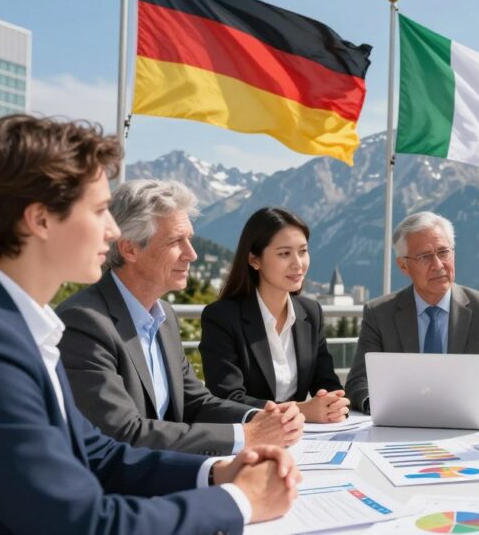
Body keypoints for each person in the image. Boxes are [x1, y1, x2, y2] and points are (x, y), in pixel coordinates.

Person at [0, 115, 298, 533]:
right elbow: (81, 523)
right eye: (101, 210)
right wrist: (239, 500)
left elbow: (96, 453)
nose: (112, 230)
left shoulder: (19, 325)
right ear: (41, 219)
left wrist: (215, 473)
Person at [58, 180, 303, 456]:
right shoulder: (84, 322)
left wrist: (260, 417)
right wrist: (246, 436)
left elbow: (194, 402)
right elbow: (122, 433)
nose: (192, 254)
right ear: (129, 249)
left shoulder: (165, 317)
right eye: (176, 241)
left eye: (190, 239)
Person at [345, 211, 479, 414]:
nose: (438, 265)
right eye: (424, 257)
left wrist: (477, 402)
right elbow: (358, 381)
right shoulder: (379, 313)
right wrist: (380, 405)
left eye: (444, 252)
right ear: (403, 265)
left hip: (465, 424)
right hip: (400, 423)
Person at [200, 207, 349, 423]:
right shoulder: (221, 317)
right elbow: (228, 398)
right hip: (250, 439)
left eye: (303, 251)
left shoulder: (311, 312)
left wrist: (335, 403)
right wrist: (302, 411)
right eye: (284, 254)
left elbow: (326, 383)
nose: (298, 264)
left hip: (306, 438)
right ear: (254, 260)